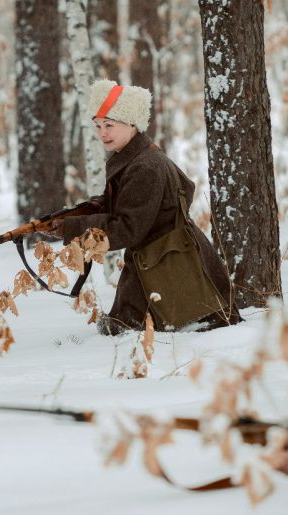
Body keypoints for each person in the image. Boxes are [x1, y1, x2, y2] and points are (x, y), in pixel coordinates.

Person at [52, 80, 241, 335]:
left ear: (132, 124)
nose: (102, 133)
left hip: (166, 263)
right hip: (165, 257)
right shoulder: (141, 157)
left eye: (109, 125)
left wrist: (71, 228)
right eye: (98, 126)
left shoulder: (145, 166)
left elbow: (129, 228)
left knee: (128, 333)